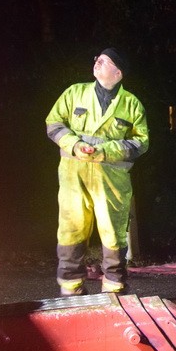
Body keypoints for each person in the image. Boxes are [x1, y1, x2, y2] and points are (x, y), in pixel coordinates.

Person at [45, 47, 149, 295]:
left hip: (111, 180)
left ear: (118, 72)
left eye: (105, 61)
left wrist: (106, 152)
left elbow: (141, 142)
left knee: (113, 232)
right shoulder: (74, 93)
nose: (97, 63)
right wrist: (75, 145)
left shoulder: (131, 104)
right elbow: (53, 123)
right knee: (71, 228)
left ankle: (114, 290)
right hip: (73, 176)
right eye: (97, 59)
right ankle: (71, 289)